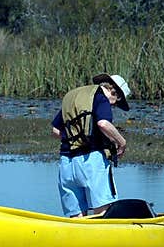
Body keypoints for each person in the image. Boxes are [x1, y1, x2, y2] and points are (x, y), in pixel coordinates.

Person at [51, 73, 132, 217]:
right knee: (102, 213)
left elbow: (56, 130)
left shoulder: (77, 97)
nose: (114, 105)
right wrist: (122, 142)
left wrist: (75, 138)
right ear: (115, 93)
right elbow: (103, 123)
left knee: (76, 217)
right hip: (91, 162)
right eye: (117, 102)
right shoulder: (101, 98)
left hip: (66, 164)